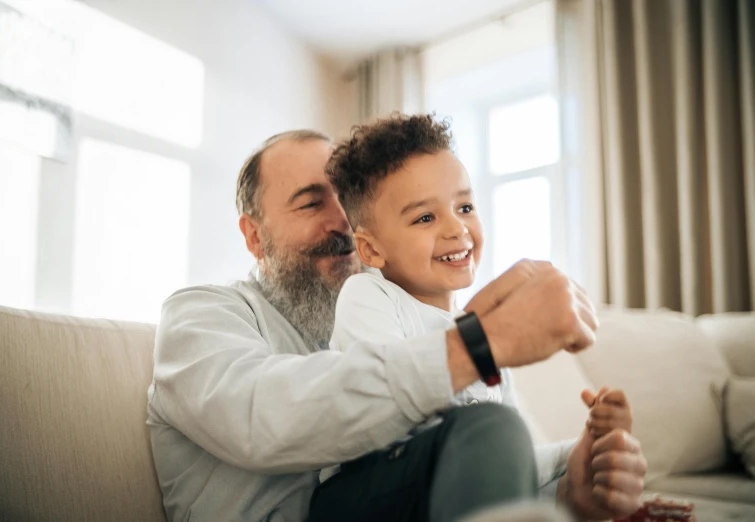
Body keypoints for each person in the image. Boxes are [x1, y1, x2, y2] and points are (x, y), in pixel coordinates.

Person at [147, 129, 647, 522]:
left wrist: (571, 485)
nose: (342, 220)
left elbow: (487, 459)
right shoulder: (203, 313)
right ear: (254, 236)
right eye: (311, 201)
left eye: (346, 199)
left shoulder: (403, 316)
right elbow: (262, 417)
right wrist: (481, 343)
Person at [310, 114, 635, 521]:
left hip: (444, 492)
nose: (456, 228)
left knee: (502, 433)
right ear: (371, 250)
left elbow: (512, 458)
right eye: (424, 217)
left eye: (464, 206)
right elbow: (387, 408)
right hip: (364, 494)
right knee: (492, 426)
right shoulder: (369, 294)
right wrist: (480, 338)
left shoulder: (480, 336)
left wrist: (580, 453)